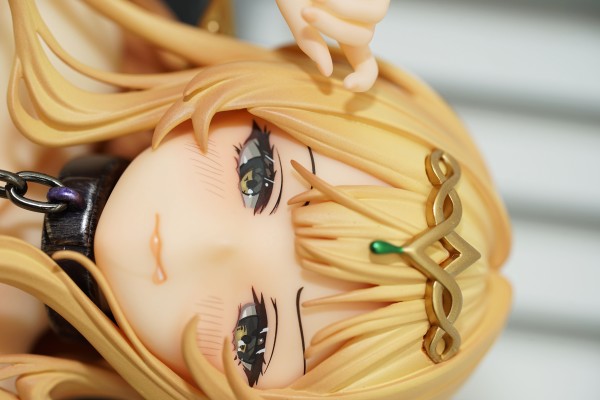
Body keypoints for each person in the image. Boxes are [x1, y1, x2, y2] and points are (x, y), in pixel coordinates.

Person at [0, 0, 511, 398]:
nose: (203, 244)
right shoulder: (77, 27)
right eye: (256, 175)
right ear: (273, 90)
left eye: (251, 336)